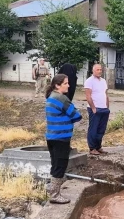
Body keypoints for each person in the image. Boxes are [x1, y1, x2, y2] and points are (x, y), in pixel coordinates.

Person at [45, 74, 82, 204]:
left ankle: (52, 190)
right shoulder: (62, 98)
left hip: (51, 137)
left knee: (55, 164)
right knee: (60, 166)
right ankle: (55, 195)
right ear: (57, 85)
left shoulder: (51, 97)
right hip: (61, 138)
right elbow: (77, 116)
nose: (68, 85)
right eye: (66, 83)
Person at [84, 64, 110, 155]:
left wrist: (107, 106)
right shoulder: (89, 81)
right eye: (97, 69)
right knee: (93, 128)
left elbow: (105, 94)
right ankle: (92, 148)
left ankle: (98, 146)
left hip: (104, 108)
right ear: (93, 70)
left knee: (101, 129)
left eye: (100, 70)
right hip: (95, 108)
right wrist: (93, 108)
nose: (99, 71)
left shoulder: (103, 81)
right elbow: (88, 96)